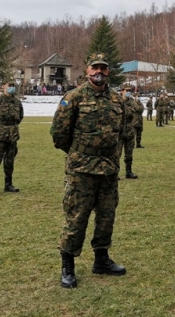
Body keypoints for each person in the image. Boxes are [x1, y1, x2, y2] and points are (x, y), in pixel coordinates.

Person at [51, 53, 129, 288]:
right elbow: (59, 134)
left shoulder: (117, 99)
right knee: (77, 217)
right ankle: (68, 265)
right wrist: (79, 153)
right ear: (87, 71)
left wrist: (111, 157)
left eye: (104, 69)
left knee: (106, 216)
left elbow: (121, 132)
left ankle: (101, 259)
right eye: (95, 68)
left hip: (108, 168)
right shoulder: (74, 98)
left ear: (109, 72)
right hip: (81, 168)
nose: (99, 72)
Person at [118, 83, 139, 179]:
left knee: (129, 153)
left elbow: (136, 112)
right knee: (116, 154)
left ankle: (128, 171)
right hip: (119, 131)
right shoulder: (117, 101)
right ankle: (115, 172)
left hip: (130, 131)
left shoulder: (132, 102)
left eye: (130, 90)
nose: (128, 92)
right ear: (122, 91)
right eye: (127, 90)